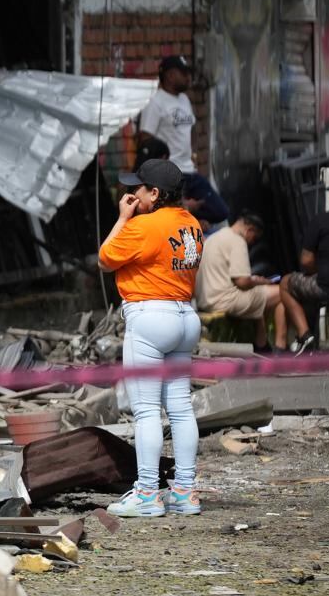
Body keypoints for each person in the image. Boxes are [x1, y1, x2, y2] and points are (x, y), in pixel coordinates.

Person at [99, 158, 205, 518]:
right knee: (180, 407)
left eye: (138, 189)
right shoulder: (192, 224)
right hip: (185, 317)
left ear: (155, 193)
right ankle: (185, 491)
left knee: (146, 410)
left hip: (149, 318)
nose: (132, 194)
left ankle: (146, 493)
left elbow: (105, 258)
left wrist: (122, 218)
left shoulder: (143, 225)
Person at [139, 55, 229, 227]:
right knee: (172, 219)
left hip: (189, 171)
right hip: (171, 175)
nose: (188, 78)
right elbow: (145, 138)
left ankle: (188, 215)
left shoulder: (184, 99)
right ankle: (186, 215)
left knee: (220, 211)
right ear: (170, 75)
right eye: (184, 73)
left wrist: (193, 155)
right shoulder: (156, 102)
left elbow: (192, 129)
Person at [197, 212, 299, 352]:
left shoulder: (214, 238)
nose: (252, 242)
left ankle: (262, 342)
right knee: (283, 291)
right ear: (249, 230)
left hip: (206, 299)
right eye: (254, 238)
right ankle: (280, 345)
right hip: (225, 300)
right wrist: (259, 282)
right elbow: (242, 282)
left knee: (264, 297)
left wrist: (255, 281)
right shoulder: (237, 241)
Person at [280, 192, 329, 354]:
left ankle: (305, 335)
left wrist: (320, 270)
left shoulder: (320, 221)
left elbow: (306, 261)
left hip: (326, 286)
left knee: (285, 283)